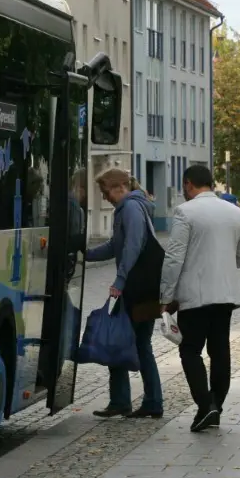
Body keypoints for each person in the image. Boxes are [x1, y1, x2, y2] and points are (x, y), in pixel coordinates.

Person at [158, 165, 240, 432]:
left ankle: (205, 404)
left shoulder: (185, 212)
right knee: (220, 350)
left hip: (195, 295)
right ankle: (217, 406)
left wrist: (165, 297)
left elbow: (174, 257)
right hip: (226, 294)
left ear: (188, 184)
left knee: (190, 349)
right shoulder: (235, 212)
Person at [86, 168, 163, 418]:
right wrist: (85, 254)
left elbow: (133, 245)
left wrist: (119, 281)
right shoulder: (132, 207)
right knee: (139, 344)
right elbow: (115, 246)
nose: (104, 196)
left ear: (119, 187)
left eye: (105, 191)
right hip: (141, 287)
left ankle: (125, 400)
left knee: (118, 340)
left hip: (135, 288)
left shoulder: (130, 208)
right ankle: (149, 401)